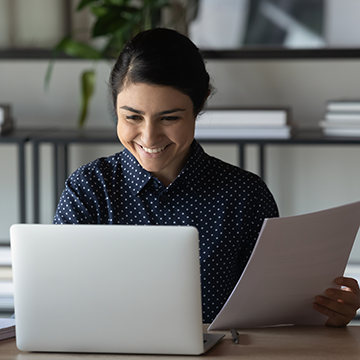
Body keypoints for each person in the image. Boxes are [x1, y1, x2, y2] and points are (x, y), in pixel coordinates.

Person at [54, 28, 360, 326]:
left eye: (169, 118)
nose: (149, 136)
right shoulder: (89, 188)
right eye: (132, 117)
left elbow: (275, 318)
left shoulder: (245, 195)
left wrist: (327, 315)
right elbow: (58, 297)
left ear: (200, 103)